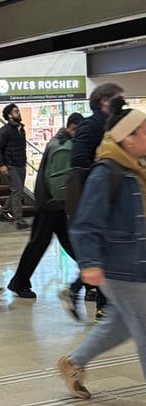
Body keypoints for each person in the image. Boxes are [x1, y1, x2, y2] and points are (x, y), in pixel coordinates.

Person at [56, 97, 146, 399]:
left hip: (138, 262)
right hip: (122, 266)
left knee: (119, 325)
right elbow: (85, 224)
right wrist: (90, 264)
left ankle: (72, 362)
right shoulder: (106, 172)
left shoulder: (136, 169)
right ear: (127, 138)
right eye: (143, 131)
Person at [7, 113, 84, 300]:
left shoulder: (58, 142)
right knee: (39, 244)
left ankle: (89, 278)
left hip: (53, 204)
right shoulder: (61, 146)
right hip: (50, 203)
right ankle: (19, 282)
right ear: (73, 128)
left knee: (69, 243)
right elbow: (57, 180)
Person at [64, 81, 124, 317]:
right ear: (104, 102)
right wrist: (103, 172)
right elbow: (78, 158)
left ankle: (85, 293)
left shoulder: (113, 125)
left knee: (107, 250)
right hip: (96, 196)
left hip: (111, 195)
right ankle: (102, 304)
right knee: (103, 248)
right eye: (119, 99)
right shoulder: (91, 125)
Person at [0, 103, 30, 230]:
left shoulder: (20, 129)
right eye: (16, 111)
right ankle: (18, 220)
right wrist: (1, 165)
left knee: (16, 191)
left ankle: (3, 212)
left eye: (18, 111)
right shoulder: (5, 131)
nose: (19, 113)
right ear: (9, 115)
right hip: (10, 165)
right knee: (17, 191)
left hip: (20, 164)